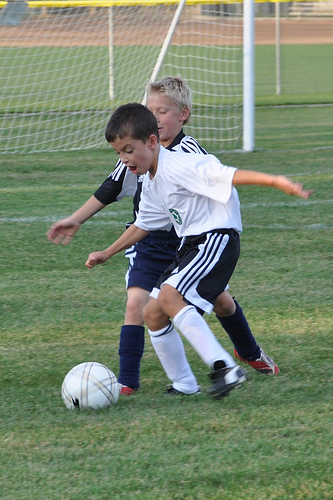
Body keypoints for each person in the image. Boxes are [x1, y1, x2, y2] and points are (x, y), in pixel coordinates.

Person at [47, 77, 278, 396]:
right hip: (157, 243)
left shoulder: (184, 155)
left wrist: (276, 180)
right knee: (145, 309)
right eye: (150, 110)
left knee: (218, 302)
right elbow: (121, 196)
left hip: (198, 239)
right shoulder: (138, 155)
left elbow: (224, 177)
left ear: (183, 114)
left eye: (162, 111)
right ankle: (141, 382)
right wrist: (85, 229)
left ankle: (238, 359)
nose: (155, 117)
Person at [84, 103, 313, 398]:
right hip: (192, 244)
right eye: (118, 153)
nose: (124, 158)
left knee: (168, 296)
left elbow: (228, 175)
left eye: (128, 150)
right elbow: (143, 225)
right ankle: (184, 384)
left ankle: (225, 368)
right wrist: (108, 252)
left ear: (151, 142)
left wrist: (277, 181)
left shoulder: (181, 163)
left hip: (216, 237)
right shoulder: (151, 182)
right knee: (152, 313)